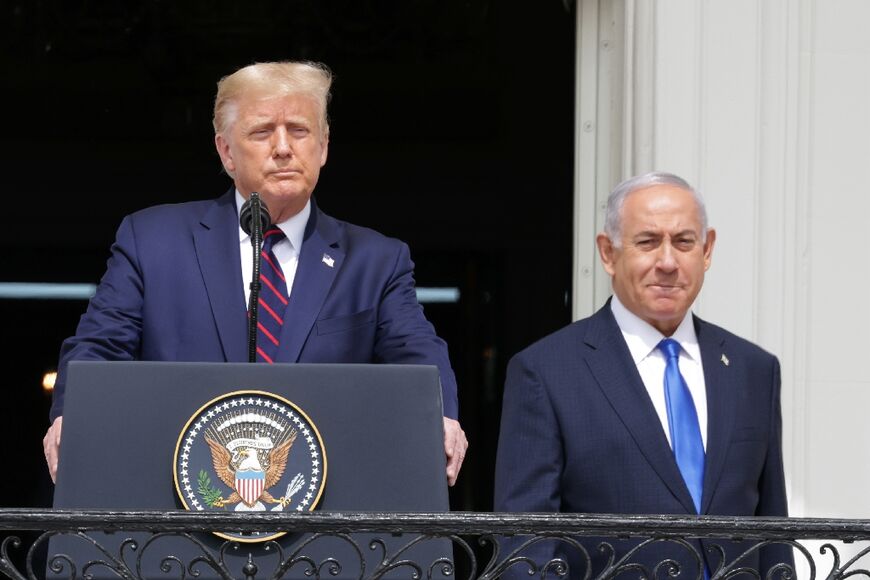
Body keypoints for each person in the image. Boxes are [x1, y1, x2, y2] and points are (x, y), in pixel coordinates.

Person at [43, 60, 467, 486]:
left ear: (323, 146)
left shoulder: (375, 260)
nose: (283, 147)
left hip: (326, 524)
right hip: (173, 510)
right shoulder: (152, 241)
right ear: (226, 150)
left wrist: (442, 414)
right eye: (263, 132)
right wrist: (71, 414)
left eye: (299, 131)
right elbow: (98, 347)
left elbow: (418, 355)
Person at [493, 172, 792, 578]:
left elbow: (773, 533)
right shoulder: (545, 372)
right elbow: (526, 546)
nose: (667, 262)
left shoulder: (753, 370)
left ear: (707, 251)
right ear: (608, 253)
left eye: (684, 242)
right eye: (648, 242)